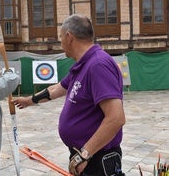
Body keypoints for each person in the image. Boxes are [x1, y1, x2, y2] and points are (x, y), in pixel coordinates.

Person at [13, 14, 126, 176]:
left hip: (96, 159)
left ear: (69, 37)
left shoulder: (98, 65)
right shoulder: (83, 64)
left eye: (60, 38)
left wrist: (85, 154)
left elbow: (116, 118)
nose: (60, 43)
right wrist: (29, 100)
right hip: (85, 157)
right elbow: (56, 89)